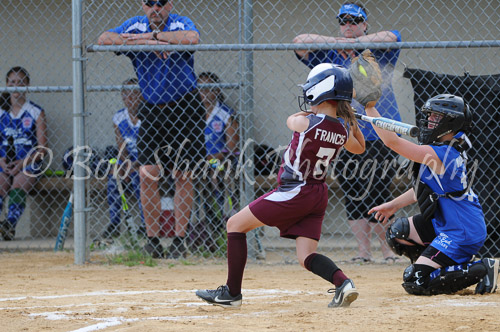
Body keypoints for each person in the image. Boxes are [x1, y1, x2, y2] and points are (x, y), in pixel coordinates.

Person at [196, 63, 365, 308]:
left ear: (321, 92)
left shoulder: (307, 122)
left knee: (234, 225)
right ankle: (343, 283)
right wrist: (350, 120)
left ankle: (231, 293)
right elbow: (360, 147)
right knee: (306, 255)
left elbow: (291, 120)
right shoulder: (341, 130)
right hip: (318, 193)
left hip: (295, 190)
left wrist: (319, 113)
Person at [293, 1, 401, 263]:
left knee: (379, 189)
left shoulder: (378, 50)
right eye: (344, 21)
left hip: (378, 132)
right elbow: (299, 42)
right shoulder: (330, 53)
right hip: (343, 133)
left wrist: (356, 41)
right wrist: (338, 41)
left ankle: (387, 251)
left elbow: (391, 36)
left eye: (355, 21)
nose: (349, 25)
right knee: (352, 189)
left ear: (365, 24)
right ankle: (363, 252)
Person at [98, 0, 206, 259]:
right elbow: (104, 39)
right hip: (152, 107)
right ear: (142, 6)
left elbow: (192, 38)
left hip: (185, 106)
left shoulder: (179, 22)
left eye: (161, 3)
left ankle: (180, 240)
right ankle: (153, 239)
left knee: (183, 174)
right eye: (149, 3)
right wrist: (148, 42)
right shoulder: (134, 24)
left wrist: (154, 37)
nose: (155, 8)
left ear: (169, 5)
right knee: (148, 173)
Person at [367, 94, 499, 295]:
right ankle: (434, 264)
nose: (429, 122)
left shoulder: (443, 154)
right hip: (447, 223)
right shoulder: (444, 148)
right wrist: (393, 205)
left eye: (435, 117)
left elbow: (392, 142)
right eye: (429, 116)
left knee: (416, 281)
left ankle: (482, 268)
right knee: (398, 233)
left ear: (451, 123)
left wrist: (369, 107)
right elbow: (425, 188)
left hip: (462, 232)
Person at [0, 67, 47, 241]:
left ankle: (9, 225)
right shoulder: (1, 112)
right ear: (6, 85)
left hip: (28, 161)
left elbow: (42, 149)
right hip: (5, 162)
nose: (16, 86)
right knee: (1, 184)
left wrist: (22, 163)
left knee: (19, 184)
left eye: (21, 82)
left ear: (27, 86)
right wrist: (1, 161)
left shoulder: (35, 111)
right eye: (12, 82)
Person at [193, 72, 239, 252]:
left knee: (216, 173)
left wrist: (211, 158)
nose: (204, 92)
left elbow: (231, 147)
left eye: (208, 88)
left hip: (219, 160)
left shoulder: (225, 113)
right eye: (200, 88)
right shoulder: (192, 111)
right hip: (196, 161)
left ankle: (222, 221)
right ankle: (201, 226)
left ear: (217, 90)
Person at [100, 78, 146, 241]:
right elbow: (121, 148)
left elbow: (151, 149)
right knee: (114, 177)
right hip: (130, 160)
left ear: (142, 95)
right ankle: (114, 223)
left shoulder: (148, 115)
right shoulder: (119, 117)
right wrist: (126, 164)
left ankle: (145, 224)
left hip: (148, 160)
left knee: (139, 179)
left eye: (135, 93)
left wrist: (134, 166)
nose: (130, 97)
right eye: (126, 94)